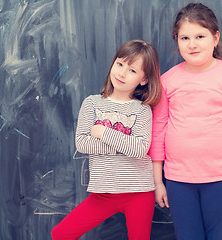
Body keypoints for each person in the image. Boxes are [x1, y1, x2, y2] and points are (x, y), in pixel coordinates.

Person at [149, 3, 222, 240]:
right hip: (179, 181)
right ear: (177, 41)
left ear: (215, 37)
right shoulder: (167, 82)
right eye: (185, 37)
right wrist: (158, 182)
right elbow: (157, 132)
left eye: (200, 36)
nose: (192, 44)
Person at [51, 39, 162, 240]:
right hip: (102, 194)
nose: (121, 73)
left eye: (132, 71)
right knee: (60, 234)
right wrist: (124, 144)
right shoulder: (92, 103)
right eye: (120, 64)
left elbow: (139, 149)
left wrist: (103, 132)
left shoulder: (142, 109)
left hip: (138, 193)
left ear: (144, 79)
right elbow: (83, 144)